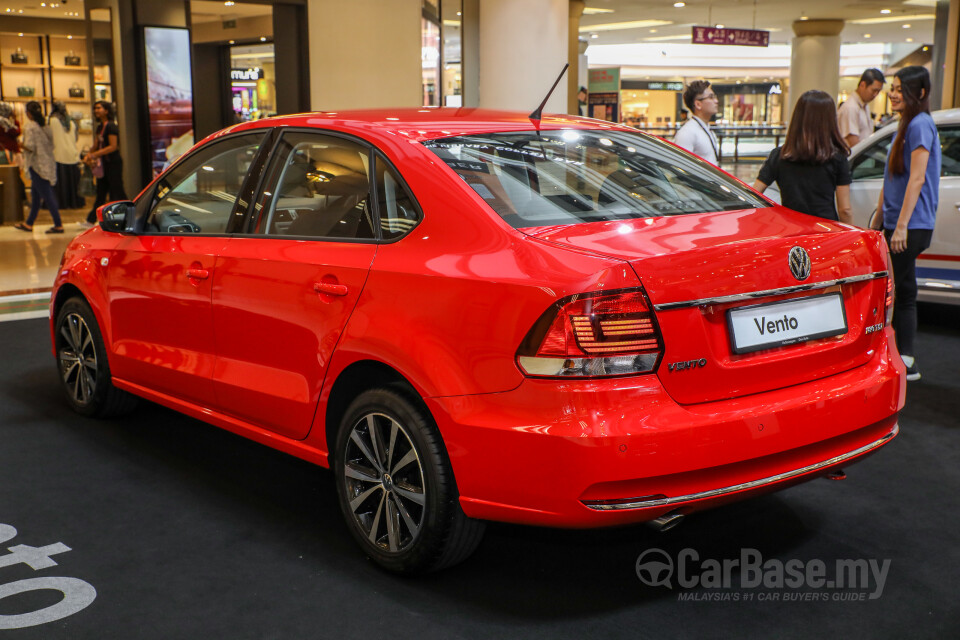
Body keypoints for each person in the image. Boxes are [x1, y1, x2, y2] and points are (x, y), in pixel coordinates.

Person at [869, 66, 940, 382]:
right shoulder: (906, 123)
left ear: (920, 93)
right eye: (893, 88)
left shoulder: (920, 124)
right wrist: (881, 211)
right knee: (904, 287)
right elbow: (895, 174)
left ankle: (903, 360)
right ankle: (904, 358)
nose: (893, 94)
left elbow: (917, 177)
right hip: (899, 220)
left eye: (900, 89)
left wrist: (900, 226)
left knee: (900, 291)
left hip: (910, 225)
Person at [752, 90, 852, 223]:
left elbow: (755, 194)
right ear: (829, 120)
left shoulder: (779, 155)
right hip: (825, 231)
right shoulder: (837, 158)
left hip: (791, 230)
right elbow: (844, 210)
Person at [15, 101, 64, 234]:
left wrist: (19, 144)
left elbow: (30, 147)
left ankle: (58, 224)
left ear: (29, 113)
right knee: (36, 196)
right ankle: (29, 223)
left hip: (36, 165)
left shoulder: (30, 127)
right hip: (48, 163)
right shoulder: (46, 126)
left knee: (47, 195)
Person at [83, 100, 127, 224]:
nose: (96, 111)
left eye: (99, 108)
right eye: (95, 108)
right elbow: (96, 144)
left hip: (113, 163)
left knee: (117, 191)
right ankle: (91, 219)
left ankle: (128, 217)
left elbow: (113, 146)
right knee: (101, 192)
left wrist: (94, 154)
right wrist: (89, 154)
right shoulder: (100, 127)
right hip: (104, 164)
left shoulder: (111, 126)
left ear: (106, 111)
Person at [673, 79, 720, 165]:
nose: (716, 101)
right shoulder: (687, 133)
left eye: (715, 97)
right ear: (698, 104)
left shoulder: (706, 128)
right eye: (711, 97)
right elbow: (680, 167)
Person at [49, 100, 84, 209]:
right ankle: (74, 203)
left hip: (58, 155)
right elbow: (76, 138)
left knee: (61, 183)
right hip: (72, 155)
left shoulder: (51, 120)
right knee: (73, 183)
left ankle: (61, 203)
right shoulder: (72, 122)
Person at [838, 68, 885, 148]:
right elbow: (853, 143)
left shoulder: (864, 106)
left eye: (878, 92)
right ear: (862, 85)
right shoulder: (851, 108)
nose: (875, 95)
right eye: (874, 90)